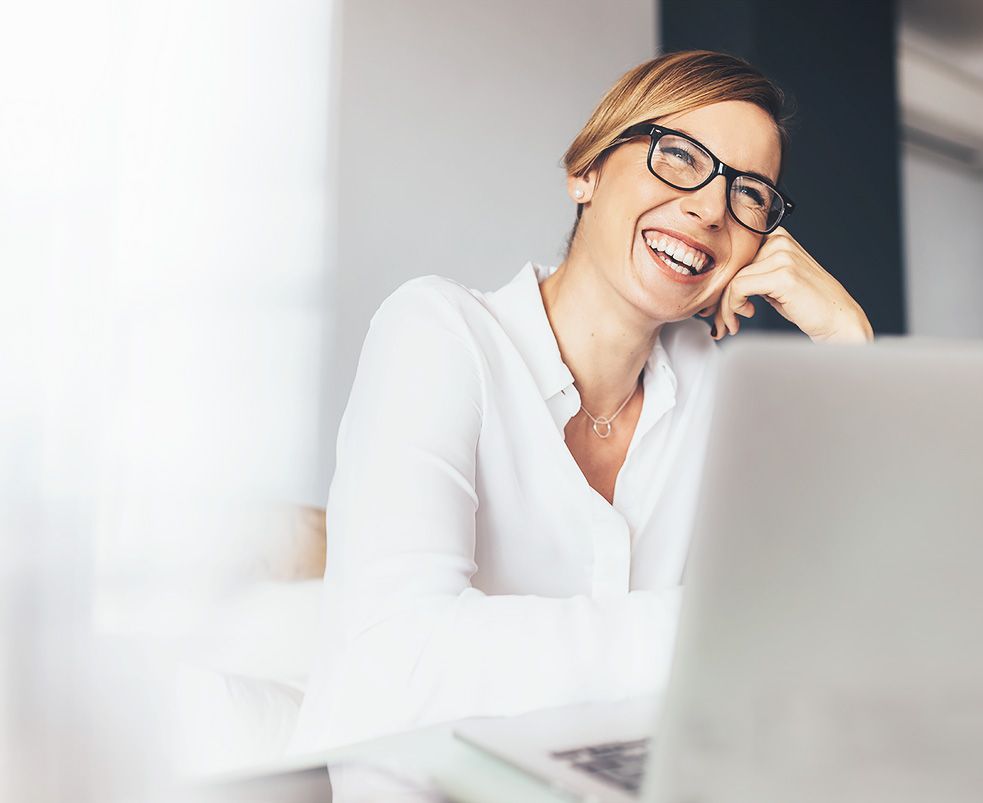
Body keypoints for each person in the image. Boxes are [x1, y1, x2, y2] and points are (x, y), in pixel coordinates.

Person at [292, 49, 873, 751]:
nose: (712, 207)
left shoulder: (718, 392)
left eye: (750, 193)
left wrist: (848, 340)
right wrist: (719, 632)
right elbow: (400, 661)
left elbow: (848, 605)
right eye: (681, 156)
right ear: (586, 172)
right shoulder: (439, 333)